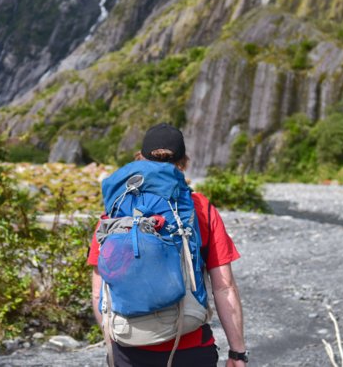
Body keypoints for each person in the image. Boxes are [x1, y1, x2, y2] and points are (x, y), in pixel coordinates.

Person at [87, 123, 249, 367]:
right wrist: (237, 353)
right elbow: (224, 286)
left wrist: (112, 348)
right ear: (183, 162)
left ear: (139, 158)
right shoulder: (200, 208)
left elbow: (100, 292)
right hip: (191, 346)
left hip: (128, 349)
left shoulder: (114, 211)